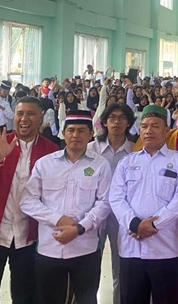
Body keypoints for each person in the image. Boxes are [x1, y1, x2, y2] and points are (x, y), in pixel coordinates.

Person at [0, 96, 59, 304]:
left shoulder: (51, 151)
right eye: (20, 113)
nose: (24, 118)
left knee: (25, 296)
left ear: (41, 118)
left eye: (31, 114)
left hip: (29, 237)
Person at [20, 110, 112, 304]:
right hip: (49, 248)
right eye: (71, 130)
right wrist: (58, 219)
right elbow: (27, 200)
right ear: (63, 133)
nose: (75, 135)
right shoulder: (45, 164)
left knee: (86, 299)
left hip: (85, 249)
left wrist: (79, 228)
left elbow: (105, 202)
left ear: (91, 134)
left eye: (81, 130)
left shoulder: (100, 165)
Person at [109, 104, 178, 304]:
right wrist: (135, 224)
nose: (148, 131)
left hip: (164, 248)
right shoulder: (127, 162)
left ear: (166, 130)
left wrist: (153, 224)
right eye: (144, 126)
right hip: (131, 248)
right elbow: (116, 198)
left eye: (155, 126)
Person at [86, 103, 135, 304]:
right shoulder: (91, 149)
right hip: (94, 213)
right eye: (112, 118)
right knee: (90, 263)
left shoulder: (134, 150)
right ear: (104, 122)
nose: (117, 122)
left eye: (122, 118)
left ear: (129, 123)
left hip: (121, 216)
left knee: (121, 264)